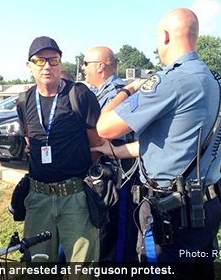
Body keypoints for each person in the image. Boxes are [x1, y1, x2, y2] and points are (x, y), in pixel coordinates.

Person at [91, 8, 221, 280]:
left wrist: (129, 89)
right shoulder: (212, 80)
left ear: (165, 36)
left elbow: (104, 126)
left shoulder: (169, 81)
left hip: (171, 215)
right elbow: (171, 143)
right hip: (206, 209)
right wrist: (115, 151)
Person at [18, 36, 103, 274]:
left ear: (60, 63)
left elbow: (95, 145)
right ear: (29, 65)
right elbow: (29, 140)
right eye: (40, 60)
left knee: (81, 271)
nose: (47, 66)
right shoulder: (24, 100)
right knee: (38, 268)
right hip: (38, 198)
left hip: (75, 198)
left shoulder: (79, 95)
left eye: (53, 60)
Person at [82, 46, 140, 265]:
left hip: (119, 178)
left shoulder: (116, 92)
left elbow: (106, 134)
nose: (83, 69)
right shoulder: (104, 92)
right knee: (108, 240)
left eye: (86, 64)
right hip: (109, 177)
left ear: (100, 66)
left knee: (117, 243)